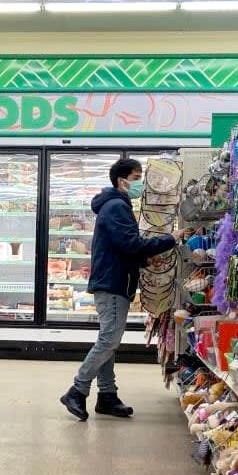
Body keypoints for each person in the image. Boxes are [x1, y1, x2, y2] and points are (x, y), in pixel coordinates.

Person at [60, 158, 175, 421]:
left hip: (114, 279)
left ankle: (107, 395)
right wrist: (170, 239)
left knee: (109, 342)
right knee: (109, 339)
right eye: (137, 177)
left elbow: (122, 248)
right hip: (112, 283)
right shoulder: (115, 207)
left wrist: (145, 260)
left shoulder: (115, 205)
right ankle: (77, 390)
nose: (140, 183)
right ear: (121, 180)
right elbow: (131, 244)